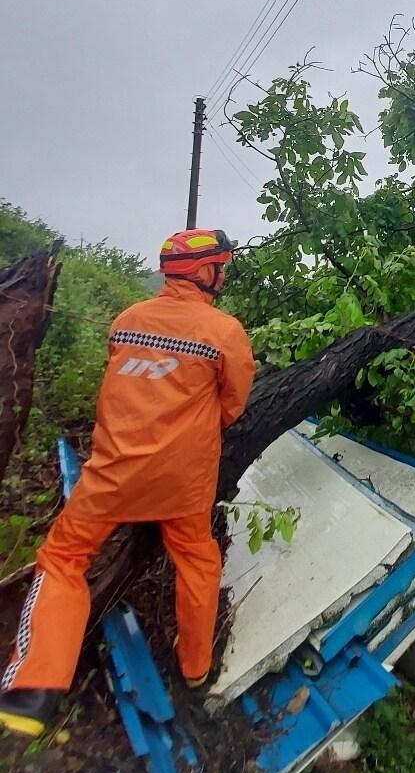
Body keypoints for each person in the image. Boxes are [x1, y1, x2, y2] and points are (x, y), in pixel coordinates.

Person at [0, 228, 255, 737]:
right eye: (221, 266)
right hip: (182, 485)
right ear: (206, 272)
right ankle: (195, 669)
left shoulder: (126, 321)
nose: (223, 275)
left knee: (64, 559)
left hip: (111, 477)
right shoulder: (227, 333)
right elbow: (232, 406)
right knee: (198, 560)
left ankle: (33, 689)